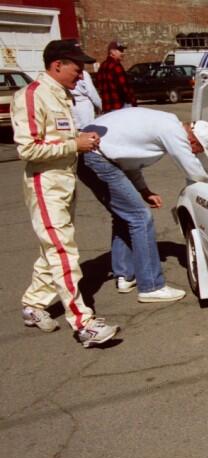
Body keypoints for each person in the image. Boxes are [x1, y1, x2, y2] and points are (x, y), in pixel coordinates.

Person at [11, 39, 120, 347]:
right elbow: (28, 149)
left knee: (54, 249)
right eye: (77, 67)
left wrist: (78, 137)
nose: (82, 74)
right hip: (45, 184)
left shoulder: (60, 95)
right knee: (63, 252)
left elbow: (55, 135)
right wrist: (75, 144)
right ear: (57, 64)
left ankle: (33, 306)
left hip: (64, 183)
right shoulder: (32, 95)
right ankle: (83, 324)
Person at [77, 108, 208, 303]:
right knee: (140, 217)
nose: (195, 152)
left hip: (91, 154)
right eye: (198, 149)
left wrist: (144, 191)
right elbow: (191, 167)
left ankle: (125, 275)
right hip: (96, 155)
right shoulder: (173, 130)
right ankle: (151, 286)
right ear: (193, 140)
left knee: (124, 215)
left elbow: (130, 164)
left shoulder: (163, 123)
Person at [95, 40, 136, 113]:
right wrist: (132, 101)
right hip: (120, 106)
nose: (123, 53)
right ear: (112, 52)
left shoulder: (102, 66)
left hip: (107, 107)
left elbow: (99, 86)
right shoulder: (116, 66)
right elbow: (124, 87)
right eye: (120, 50)